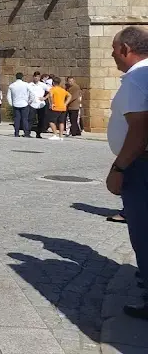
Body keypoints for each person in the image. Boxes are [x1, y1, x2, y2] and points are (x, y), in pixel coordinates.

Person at [103, 26, 148, 320]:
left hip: (140, 166)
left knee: (143, 232)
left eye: (114, 49)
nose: (111, 55)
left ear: (125, 50)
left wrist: (118, 168)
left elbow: (139, 129)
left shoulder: (135, 79)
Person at [8, 73, 33, 138]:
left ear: (16, 77)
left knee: (16, 119)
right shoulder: (26, 85)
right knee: (25, 119)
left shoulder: (12, 85)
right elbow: (32, 93)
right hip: (24, 103)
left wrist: (11, 103)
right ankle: (26, 133)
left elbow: (8, 96)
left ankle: (16, 133)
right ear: (22, 77)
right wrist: (29, 101)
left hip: (16, 104)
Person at [47, 76, 72, 141]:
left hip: (55, 107)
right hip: (63, 108)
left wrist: (51, 103)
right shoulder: (62, 90)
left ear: (53, 83)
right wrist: (65, 103)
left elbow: (50, 95)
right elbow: (69, 96)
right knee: (61, 122)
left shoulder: (53, 89)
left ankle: (55, 134)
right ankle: (61, 136)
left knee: (51, 121)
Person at [29, 72, 48, 139]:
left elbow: (51, 91)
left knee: (41, 119)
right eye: (35, 77)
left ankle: (38, 133)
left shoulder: (43, 85)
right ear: (33, 77)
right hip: (32, 104)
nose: (36, 78)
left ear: (40, 78)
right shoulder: (29, 85)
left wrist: (45, 98)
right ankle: (28, 132)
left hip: (41, 104)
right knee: (30, 119)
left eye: (38, 77)